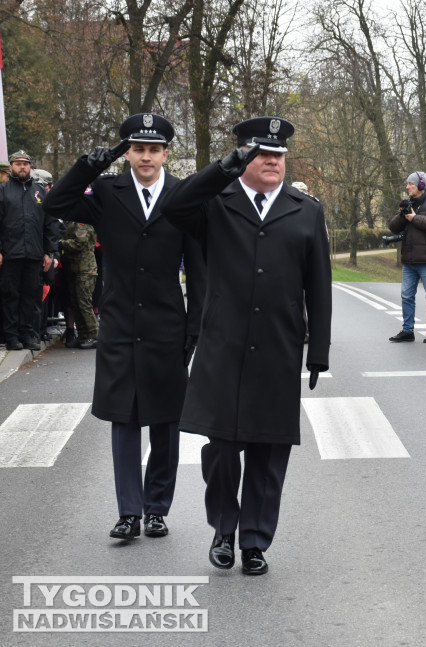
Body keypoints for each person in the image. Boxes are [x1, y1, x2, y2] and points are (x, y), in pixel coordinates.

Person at [160, 116, 332, 575]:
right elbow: (175, 206)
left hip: (278, 347)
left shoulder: (305, 209)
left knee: (268, 451)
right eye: (261, 153)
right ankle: (223, 529)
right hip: (223, 344)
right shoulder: (217, 203)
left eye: (278, 154)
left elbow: (319, 284)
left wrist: (319, 353)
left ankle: (255, 541)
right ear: (243, 157)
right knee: (220, 449)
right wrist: (222, 169)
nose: (272, 161)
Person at [43, 113, 206, 541]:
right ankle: (128, 511)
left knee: (166, 421)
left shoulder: (183, 195)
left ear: (166, 153)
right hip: (118, 323)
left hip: (169, 324)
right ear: (127, 153)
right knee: (124, 420)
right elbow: (55, 203)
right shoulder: (108, 192)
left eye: (154, 150)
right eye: (138, 149)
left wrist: (195, 328)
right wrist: (90, 165)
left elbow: (201, 271)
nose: (146, 157)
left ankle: (157, 508)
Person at [0, 150, 61, 350]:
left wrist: (49, 253)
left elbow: (50, 225)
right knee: (11, 296)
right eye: (18, 164)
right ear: (11, 168)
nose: (22, 167)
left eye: (25, 163)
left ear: (30, 167)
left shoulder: (41, 193)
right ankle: (11, 337)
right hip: (10, 254)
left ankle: (29, 335)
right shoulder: (3, 190)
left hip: (35, 254)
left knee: (31, 297)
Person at [388, 171, 426, 343]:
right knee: (406, 296)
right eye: (407, 184)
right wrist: (402, 214)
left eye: (410, 184)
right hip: (409, 260)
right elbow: (393, 228)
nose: (407, 187)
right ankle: (407, 331)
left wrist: (414, 218)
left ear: (421, 185)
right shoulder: (408, 204)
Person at [58, 220, 99, 349]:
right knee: (75, 303)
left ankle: (94, 335)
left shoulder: (82, 222)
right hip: (73, 269)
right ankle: (83, 335)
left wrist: (60, 242)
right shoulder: (71, 222)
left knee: (84, 303)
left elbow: (79, 243)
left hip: (85, 269)